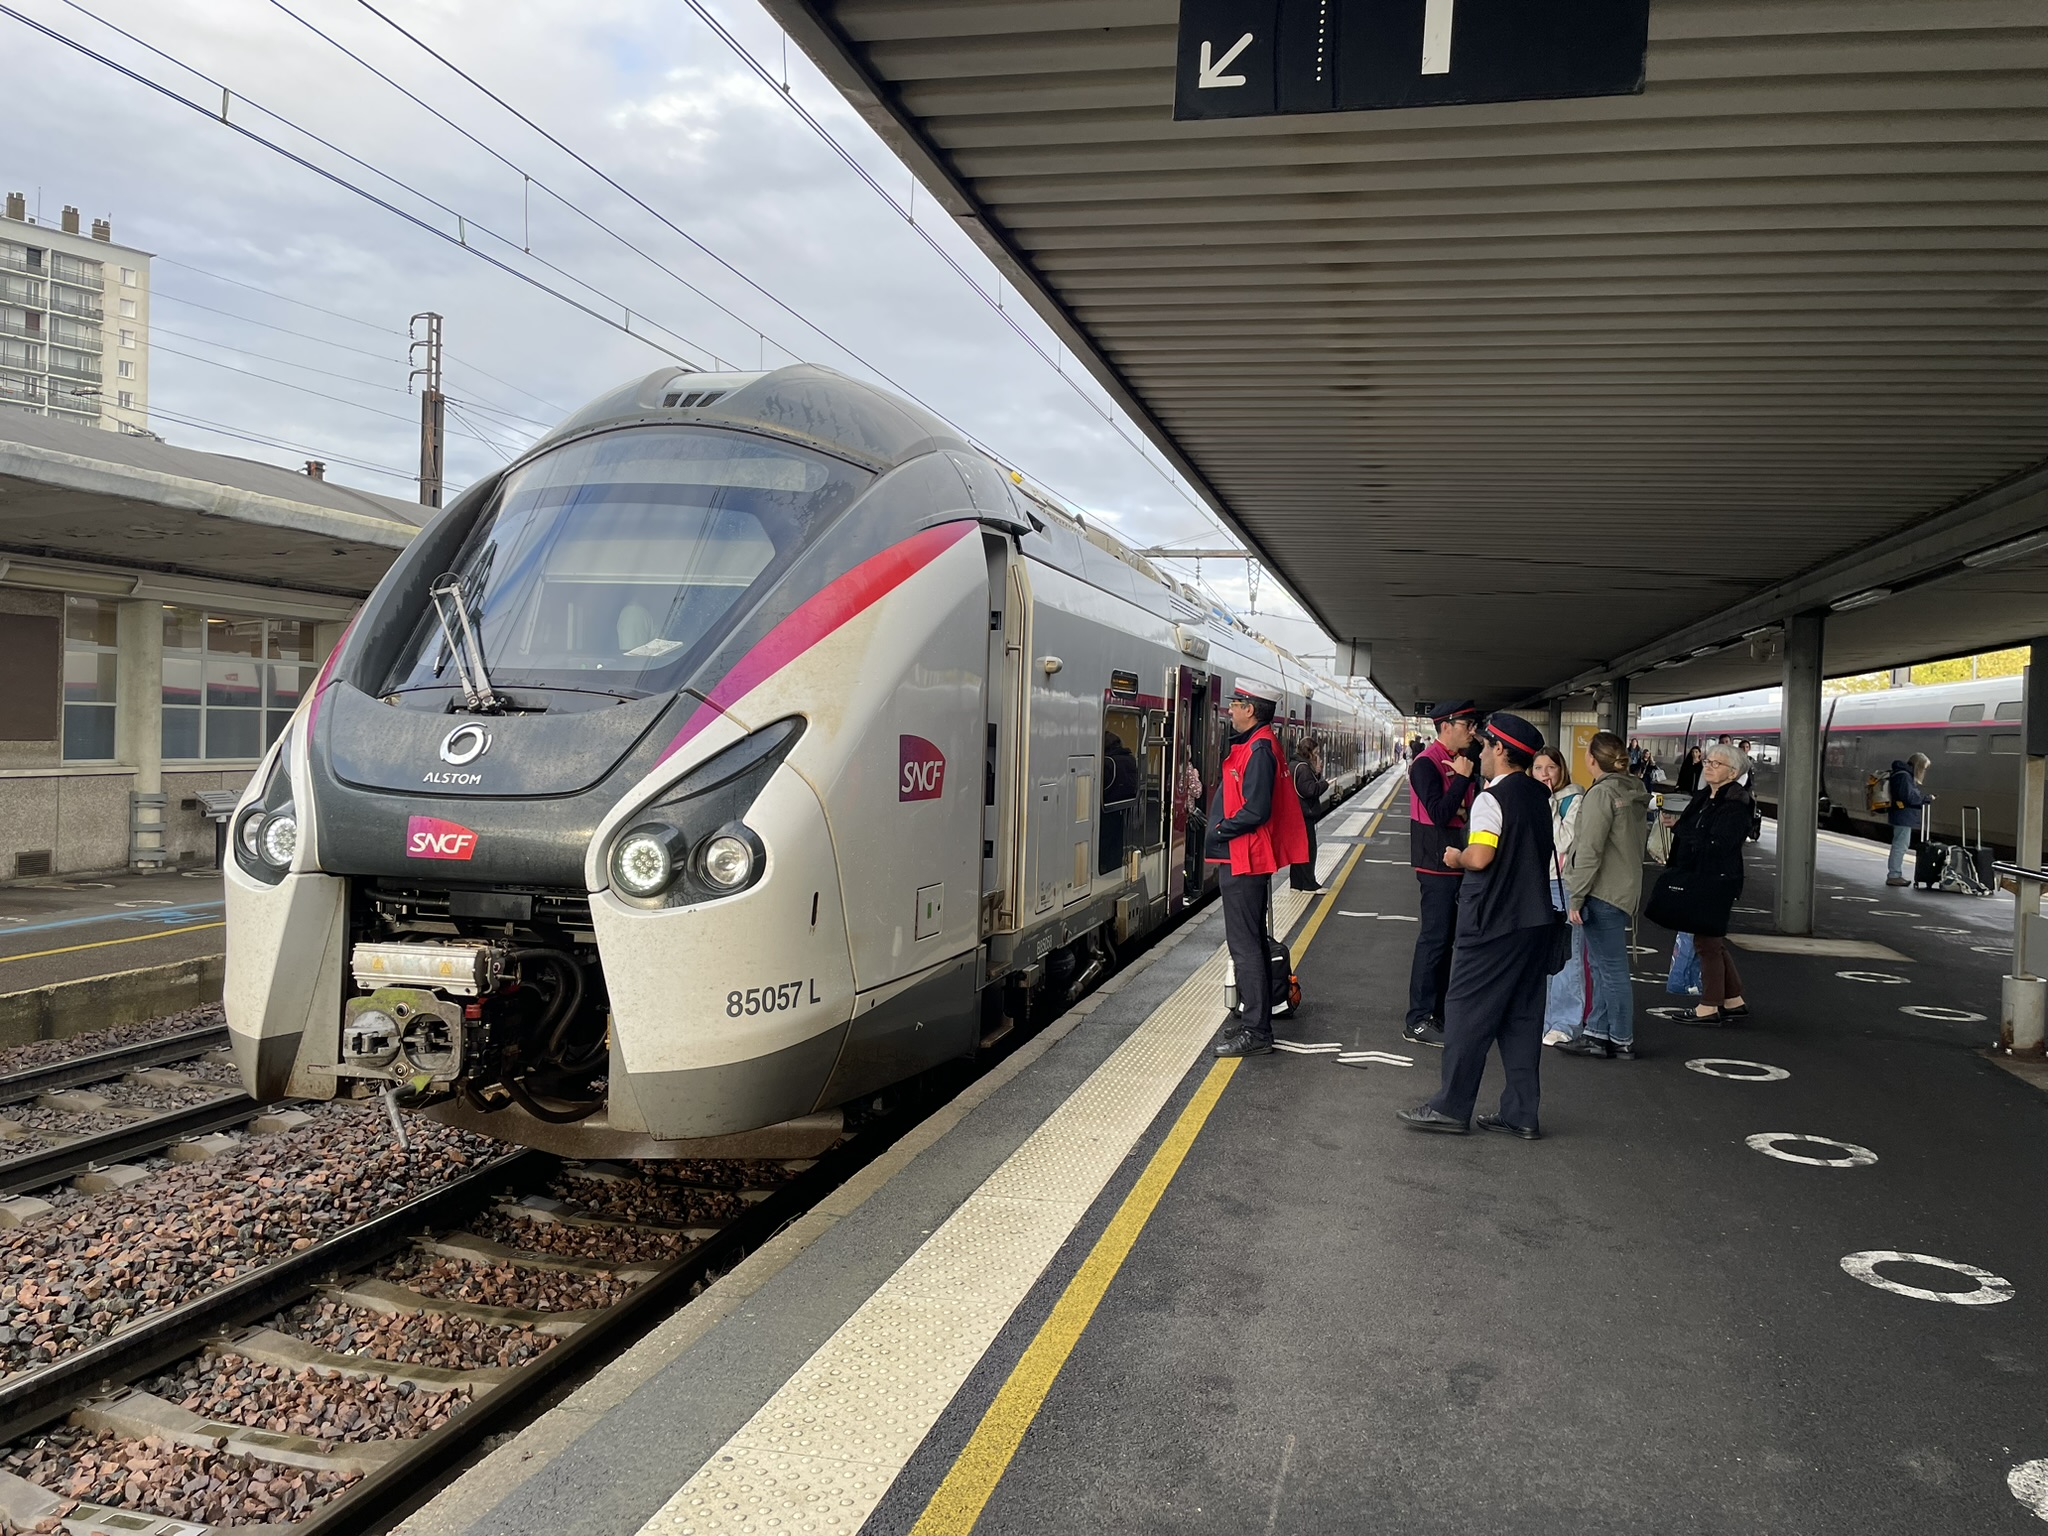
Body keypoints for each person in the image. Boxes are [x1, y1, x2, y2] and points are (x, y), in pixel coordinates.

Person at [1399, 712, 1556, 1139]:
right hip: (1535, 923)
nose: (1480, 752)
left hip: (1491, 923)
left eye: (1486, 746)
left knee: (1466, 1012)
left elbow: (1482, 856)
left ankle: (1451, 1107)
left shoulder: (1492, 798)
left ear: (1501, 750)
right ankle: (1521, 1113)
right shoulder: (1537, 795)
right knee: (1522, 1019)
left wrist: (1457, 856)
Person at [1206, 680, 1311, 1058]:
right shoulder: (1259, 744)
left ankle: (1257, 1031)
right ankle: (1256, 1017)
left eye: (1235, 704)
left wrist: (1220, 829)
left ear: (1250, 709)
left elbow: (1256, 810)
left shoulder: (1260, 749)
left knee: (1245, 946)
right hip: (1242, 856)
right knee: (1249, 942)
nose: (1230, 710)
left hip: (1244, 857)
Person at [1556, 732, 1651, 1059]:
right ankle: (1597, 1033)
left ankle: (1621, 1037)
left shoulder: (1600, 794)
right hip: (1622, 888)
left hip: (1602, 890)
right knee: (1601, 966)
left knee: (1610, 969)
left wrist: (1577, 896)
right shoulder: (1633, 789)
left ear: (1592, 760)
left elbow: (1590, 849)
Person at [1404, 701, 1483, 1047]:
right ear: (1446, 726)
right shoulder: (1425, 764)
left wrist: (1460, 800)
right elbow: (1439, 813)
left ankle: (1437, 1012)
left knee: (1448, 942)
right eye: (1467, 725)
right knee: (1434, 940)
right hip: (1435, 862)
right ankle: (1417, 1018)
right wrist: (1461, 783)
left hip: (1456, 860)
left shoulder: (1463, 759)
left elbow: (1469, 809)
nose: (1473, 731)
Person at [1661, 742, 1754, 1025]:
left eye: (1716, 763)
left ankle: (1709, 1006)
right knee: (1711, 939)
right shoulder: (1705, 796)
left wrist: (1682, 829)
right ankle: (1733, 999)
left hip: (1717, 879)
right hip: (1699, 876)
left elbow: (1719, 844)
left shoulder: (1736, 804)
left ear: (1733, 772)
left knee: (1707, 943)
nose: (1708, 767)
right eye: (1707, 762)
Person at [1533, 748, 1587, 1046]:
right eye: (1538, 768)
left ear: (1561, 770)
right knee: (1538, 954)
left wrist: (1550, 805)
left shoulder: (1572, 799)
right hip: (1534, 883)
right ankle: (1542, 1018)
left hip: (1562, 883)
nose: (1544, 774)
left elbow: (1562, 840)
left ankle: (1565, 1022)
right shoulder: (1528, 797)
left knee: (1566, 952)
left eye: (1551, 767)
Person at [1884, 753, 1932, 887]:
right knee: (1900, 846)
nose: (1924, 771)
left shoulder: (1902, 775)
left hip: (1902, 815)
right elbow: (1908, 797)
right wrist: (1926, 799)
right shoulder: (1904, 776)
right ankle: (1894, 875)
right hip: (1902, 816)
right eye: (1924, 768)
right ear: (1918, 766)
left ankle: (1895, 874)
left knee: (1900, 844)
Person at [1290, 741, 1330, 892]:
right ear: (1309, 752)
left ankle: (1296, 884)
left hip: (1295, 814)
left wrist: (1317, 772)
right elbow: (1310, 790)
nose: (1318, 756)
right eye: (1316, 752)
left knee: (1298, 850)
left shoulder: (1293, 764)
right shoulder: (1304, 768)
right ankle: (1309, 884)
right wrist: (1324, 784)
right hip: (1304, 814)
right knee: (1308, 849)